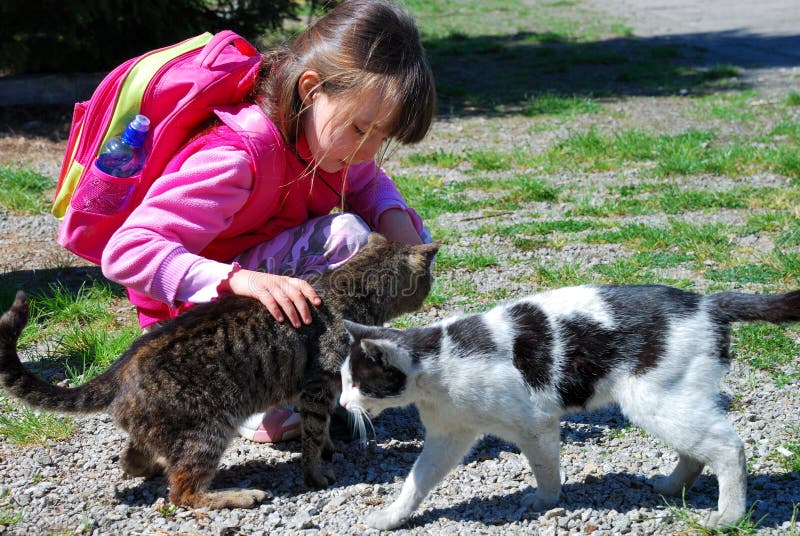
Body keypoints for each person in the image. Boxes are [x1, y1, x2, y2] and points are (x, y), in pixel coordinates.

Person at [100, 0, 436, 442]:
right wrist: (241, 281)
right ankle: (253, 395)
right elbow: (126, 252)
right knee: (347, 237)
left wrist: (400, 227)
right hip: (199, 325)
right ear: (312, 89)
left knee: (392, 247)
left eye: (383, 136)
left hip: (258, 303)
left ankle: (303, 380)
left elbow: (369, 179)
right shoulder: (236, 158)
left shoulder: (326, 140)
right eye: (361, 129)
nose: (369, 149)